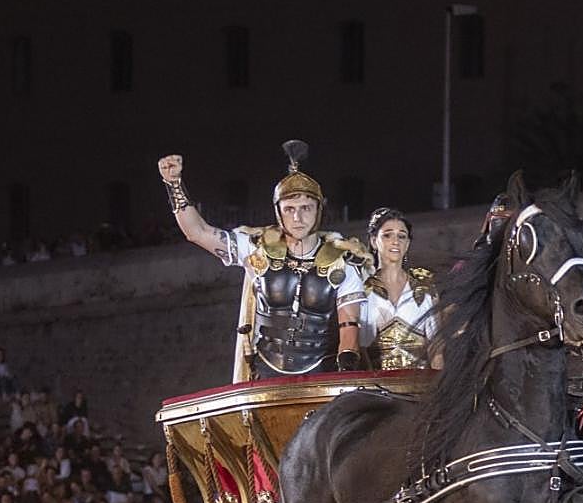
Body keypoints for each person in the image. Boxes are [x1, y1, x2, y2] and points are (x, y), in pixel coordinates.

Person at [157, 140, 372, 378]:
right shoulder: (256, 248)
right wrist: (174, 185)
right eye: (290, 209)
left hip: (323, 370)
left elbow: (349, 326)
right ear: (279, 212)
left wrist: (346, 369)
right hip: (266, 371)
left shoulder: (342, 261)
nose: (298, 218)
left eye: (306, 208)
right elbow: (197, 232)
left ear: (319, 209)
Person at [359, 208, 441, 370]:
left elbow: (437, 347)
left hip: (419, 382)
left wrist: (439, 381)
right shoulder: (363, 289)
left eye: (401, 236)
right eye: (388, 235)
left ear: (407, 244)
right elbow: (358, 348)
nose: (395, 241)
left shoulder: (424, 287)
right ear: (374, 241)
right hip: (374, 383)